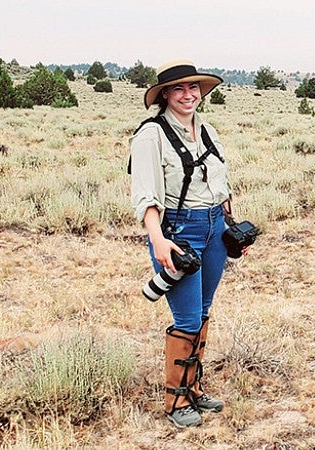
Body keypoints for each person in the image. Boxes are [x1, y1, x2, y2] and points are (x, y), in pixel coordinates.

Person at [129, 59, 233, 428]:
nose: (188, 95)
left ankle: (193, 389)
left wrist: (231, 228)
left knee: (202, 312)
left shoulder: (207, 130)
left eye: (193, 88)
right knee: (187, 319)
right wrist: (157, 240)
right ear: (165, 95)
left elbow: (220, 185)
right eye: (178, 89)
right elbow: (146, 196)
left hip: (214, 228)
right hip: (179, 232)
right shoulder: (150, 136)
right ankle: (176, 401)